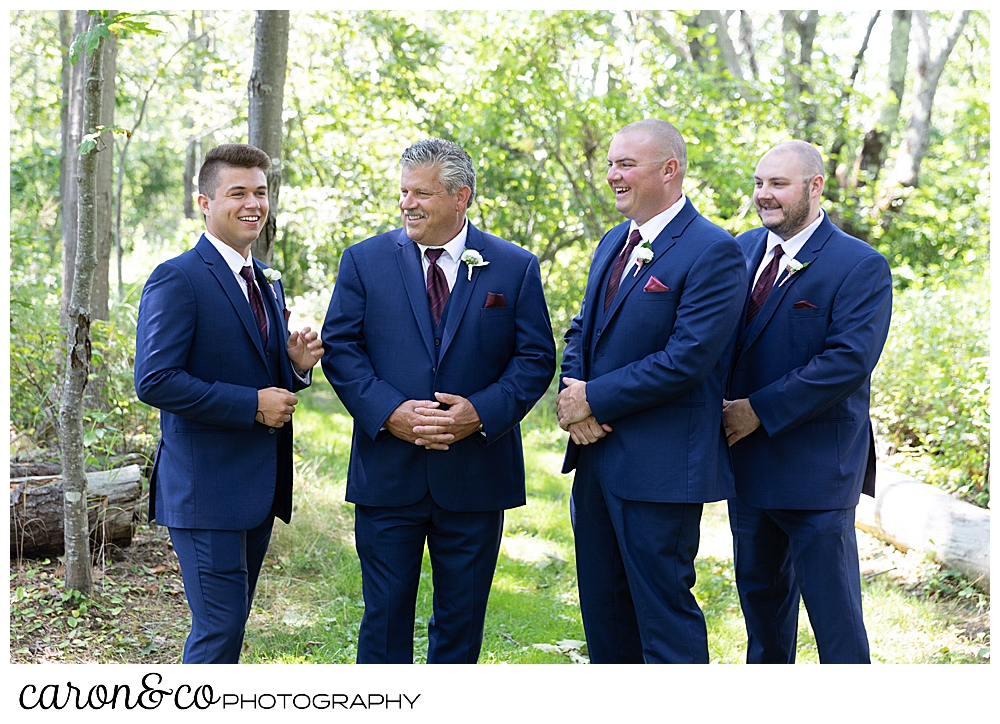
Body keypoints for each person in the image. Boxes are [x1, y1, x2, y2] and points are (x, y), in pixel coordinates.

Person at [321, 138, 555, 664]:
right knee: (383, 618)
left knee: (461, 620)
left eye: (422, 194)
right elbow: (342, 350)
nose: (408, 204)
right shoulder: (364, 261)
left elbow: (535, 358)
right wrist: (390, 412)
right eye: (404, 192)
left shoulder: (513, 267)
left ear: (460, 198)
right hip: (388, 472)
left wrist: (482, 413)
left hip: (476, 474)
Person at [557, 119, 747, 663]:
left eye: (626, 164)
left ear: (670, 170)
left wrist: (596, 399)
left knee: (663, 618)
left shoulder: (712, 251)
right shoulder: (614, 241)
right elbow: (581, 329)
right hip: (596, 460)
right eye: (611, 164)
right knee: (604, 612)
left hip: (661, 469)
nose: (613, 175)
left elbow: (687, 359)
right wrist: (575, 398)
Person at [134, 143, 324, 664]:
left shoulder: (264, 278)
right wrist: (251, 405)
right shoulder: (178, 278)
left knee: (231, 624)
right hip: (205, 488)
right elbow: (154, 380)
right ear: (204, 201)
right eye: (237, 192)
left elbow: (262, 376)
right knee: (219, 630)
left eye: (260, 193)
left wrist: (296, 366)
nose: (252, 204)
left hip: (256, 487)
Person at [723, 140, 892, 664]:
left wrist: (756, 410)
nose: (764, 195)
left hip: (817, 471)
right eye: (758, 183)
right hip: (747, 468)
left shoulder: (859, 265)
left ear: (815, 187)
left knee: (835, 622)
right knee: (762, 613)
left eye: (778, 184)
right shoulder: (740, 250)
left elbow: (845, 362)